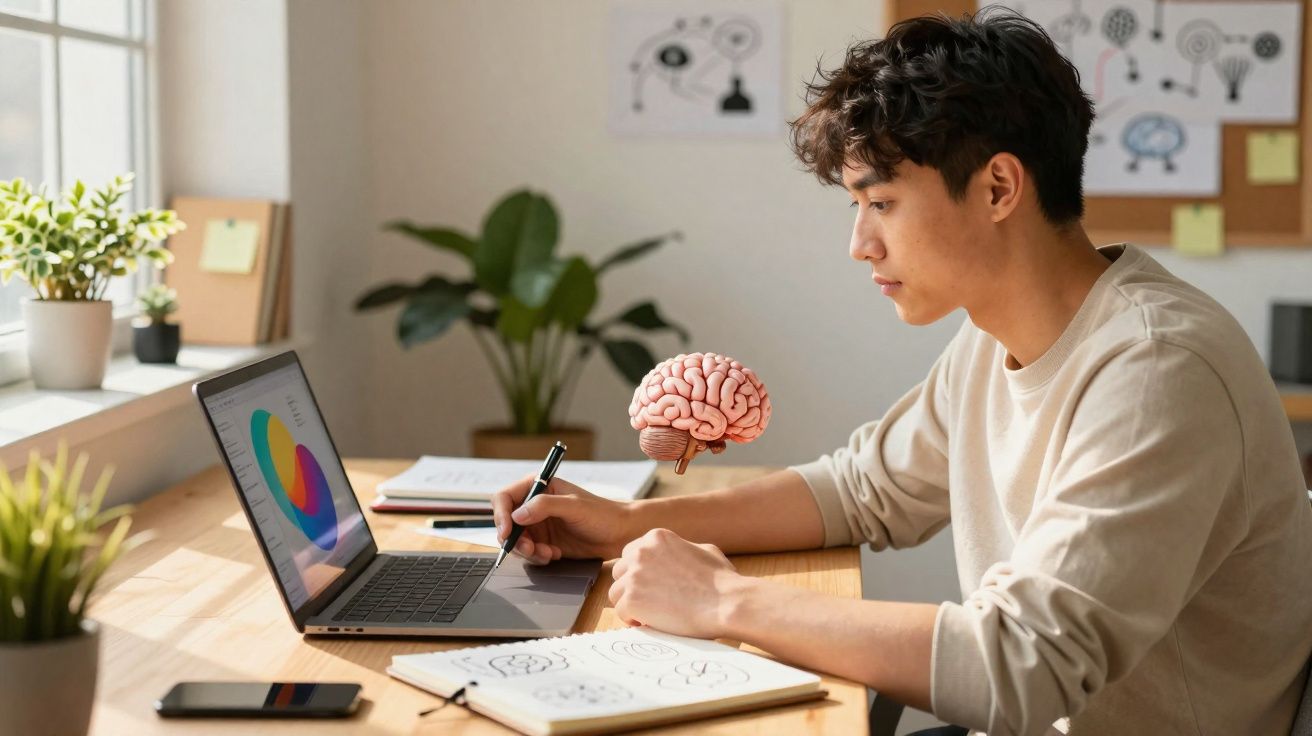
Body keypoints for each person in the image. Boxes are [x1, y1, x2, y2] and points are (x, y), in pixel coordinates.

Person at [491, 10, 1312, 735]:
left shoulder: (1157, 369)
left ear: (998, 187)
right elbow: (861, 491)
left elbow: (1025, 666)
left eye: (880, 203)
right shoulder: (993, 338)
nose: (860, 244)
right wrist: (620, 524)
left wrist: (723, 601)